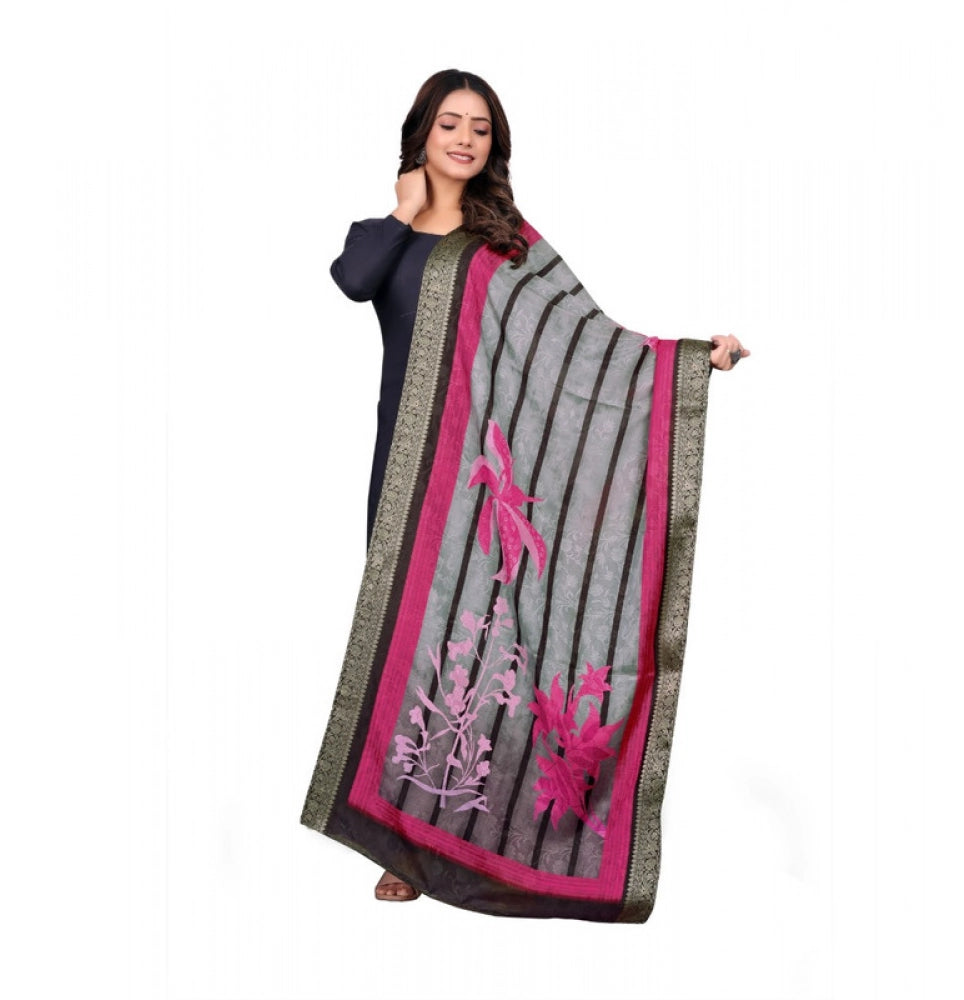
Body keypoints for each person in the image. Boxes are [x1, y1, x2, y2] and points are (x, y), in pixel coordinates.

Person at [318, 69, 750, 909]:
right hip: (405, 475)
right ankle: (404, 848)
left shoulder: (506, 242)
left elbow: (591, 344)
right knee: (408, 648)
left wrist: (694, 360)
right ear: (421, 134)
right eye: (450, 123)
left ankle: (490, 836)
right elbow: (353, 279)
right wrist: (405, 209)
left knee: (484, 647)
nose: (465, 139)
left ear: (494, 146)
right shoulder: (384, 235)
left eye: (480, 128)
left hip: (487, 486)